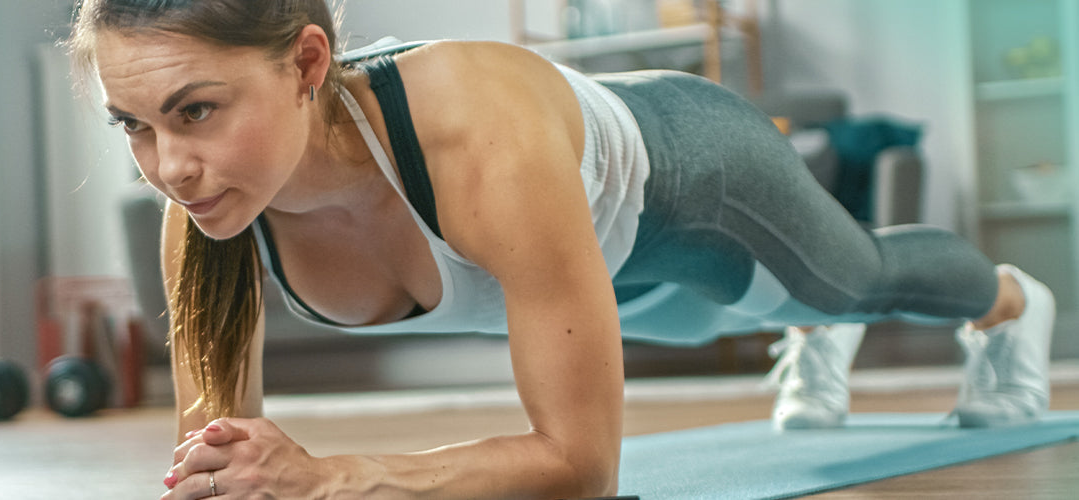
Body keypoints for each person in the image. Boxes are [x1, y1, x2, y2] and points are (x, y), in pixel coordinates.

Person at [66, 1, 1056, 498]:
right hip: (608, 276)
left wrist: (336, 476)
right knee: (726, 319)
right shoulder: (207, 213)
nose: (169, 167)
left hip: (696, 185)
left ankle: (1010, 307)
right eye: (132, 126)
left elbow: (582, 467)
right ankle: (804, 328)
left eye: (196, 110)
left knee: (852, 281)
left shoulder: (475, 136)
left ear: (307, 64)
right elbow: (222, 474)